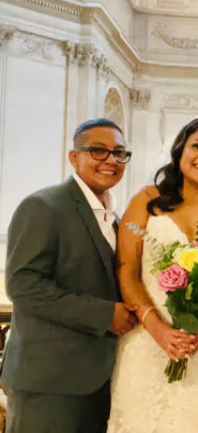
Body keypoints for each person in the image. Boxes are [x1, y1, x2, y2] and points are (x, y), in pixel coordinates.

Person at [107, 117, 198, 433]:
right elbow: (128, 272)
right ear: (180, 151)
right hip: (145, 341)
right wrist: (158, 329)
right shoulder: (146, 202)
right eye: (197, 146)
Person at [2, 118, 137, 433]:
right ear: (74, 157)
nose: (111, 161)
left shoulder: (117, 220)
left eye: (119, 153)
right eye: (98, 151)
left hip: (99, 379)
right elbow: (23, 286)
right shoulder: (43, 206)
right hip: (48, 382)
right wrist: (105, 315)